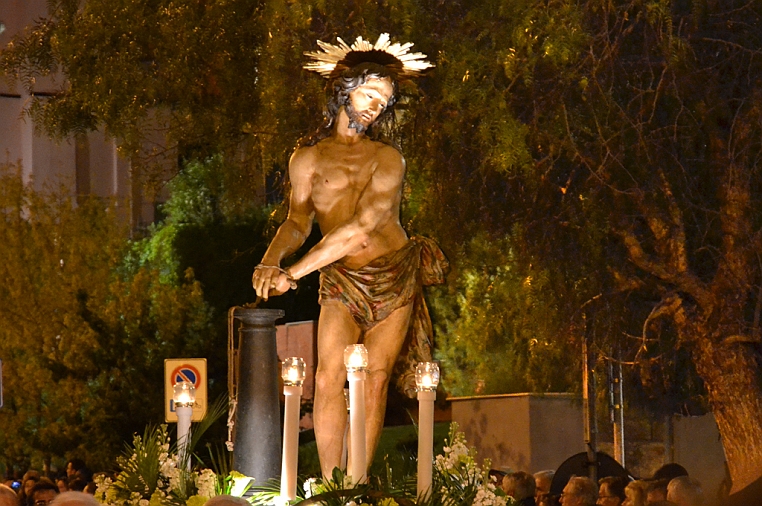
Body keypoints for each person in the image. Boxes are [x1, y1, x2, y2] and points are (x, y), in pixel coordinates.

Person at [251, 34, 446, 479]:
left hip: (392, 275)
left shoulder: (387, 158)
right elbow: (298, 222)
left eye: (385, 99)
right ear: (344, 88)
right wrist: (269, 261)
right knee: (327, 378)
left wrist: (293, 273)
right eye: (370, 92)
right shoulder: (307, 159)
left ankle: (355, 482)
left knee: (374, 381)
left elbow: (361, 230)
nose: (377, 104)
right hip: (340, 280)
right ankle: (331, 485)